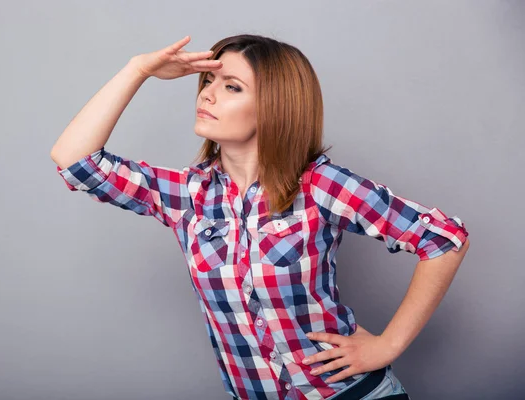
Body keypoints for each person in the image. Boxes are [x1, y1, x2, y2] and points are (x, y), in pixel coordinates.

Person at [51, 34, 470, 400]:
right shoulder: (186, 195)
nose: (207, 95)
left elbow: (444, 239)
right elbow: (74, 161)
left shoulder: (321, 186)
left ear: (275, 106)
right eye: (208, 82)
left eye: (231, 87)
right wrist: (137, 69)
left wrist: (387, 346)